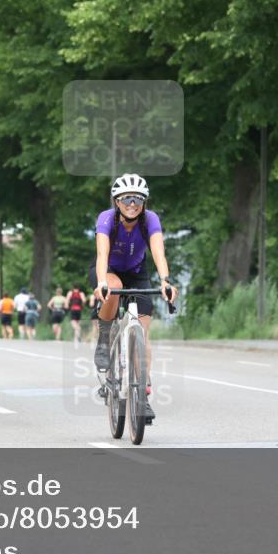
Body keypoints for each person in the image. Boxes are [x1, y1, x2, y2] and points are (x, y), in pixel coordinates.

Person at [91, 173, 178, 421]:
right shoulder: (106, 219)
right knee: (113, 287)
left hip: (138, 273)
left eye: (138, 199)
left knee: (143, 329)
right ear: (117, 201)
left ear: (144, 202)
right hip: (108, 270)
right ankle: (106, 335)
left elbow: (159, 253)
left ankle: (143, 394)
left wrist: (165, 281)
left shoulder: (150, 220)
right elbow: (101, 254)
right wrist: (100, 283)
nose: (132, 204)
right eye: (127, 198)